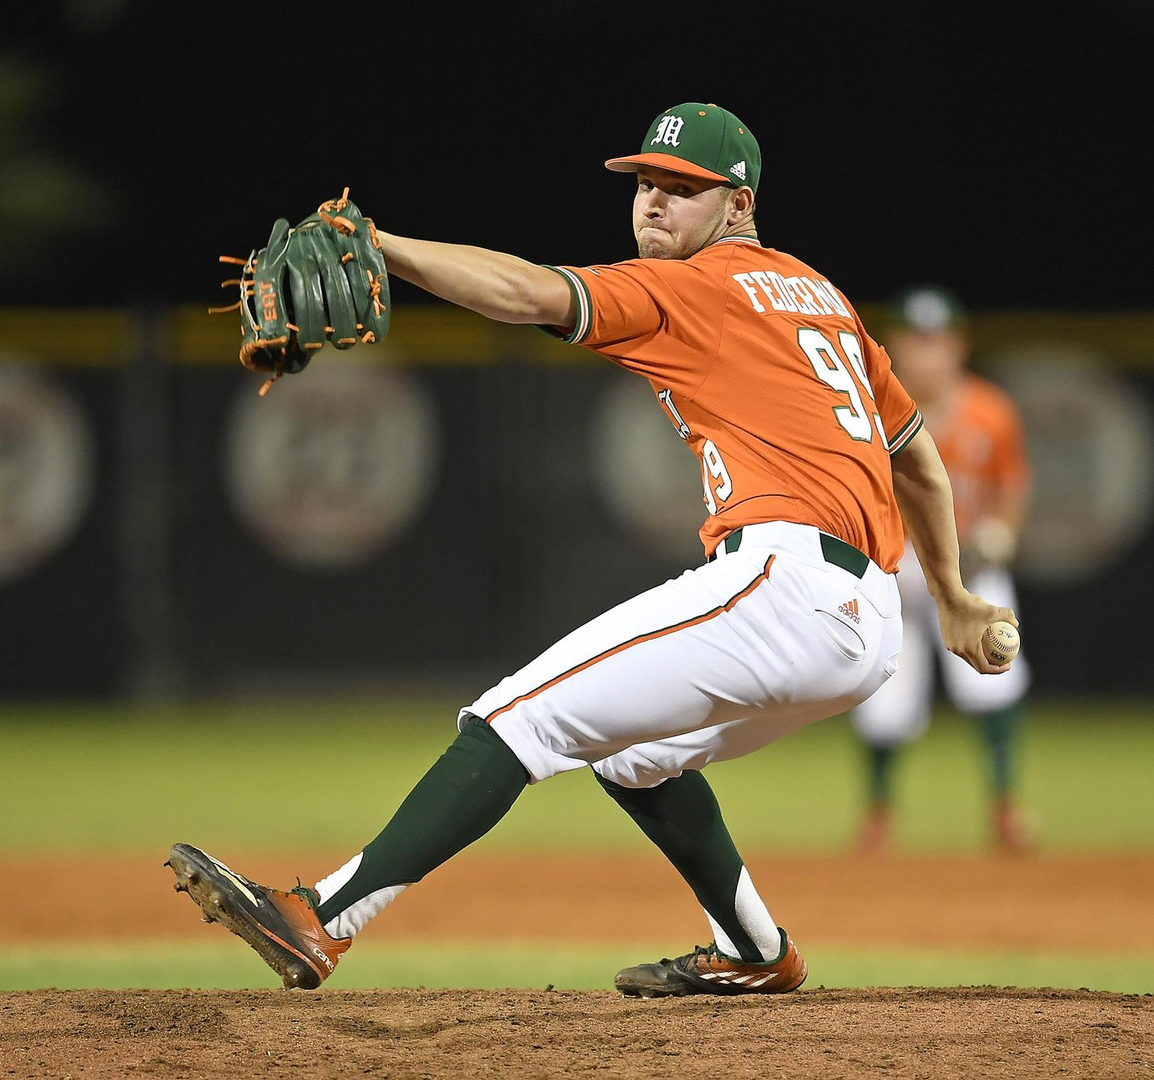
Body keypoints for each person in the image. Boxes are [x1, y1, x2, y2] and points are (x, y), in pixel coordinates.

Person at [167, 103, 1015, 998]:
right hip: (866, 623)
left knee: (515, 717)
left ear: (738, 204)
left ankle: (321, 918)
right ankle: (756, 952)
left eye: (681, 189)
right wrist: (951, 594)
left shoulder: (699, 287)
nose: (653, 203)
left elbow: (527, 292)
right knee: (633, 756)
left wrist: (380, 245)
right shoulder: (823, 297)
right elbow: (914, 452)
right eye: (645, 182)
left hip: (787, 587)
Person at [848, 287, 1034, 853]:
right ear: (896, 347)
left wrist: (1003, 530)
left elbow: (1013, 486)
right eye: (914, 340)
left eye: (938, 341)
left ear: (958, 347)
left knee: (996, 680)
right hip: (895, 571)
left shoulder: (990, 411)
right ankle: (878, 815)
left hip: (971, 568)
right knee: (885, 700)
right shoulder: (869, 410)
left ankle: (1006, 808)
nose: (926, 354)